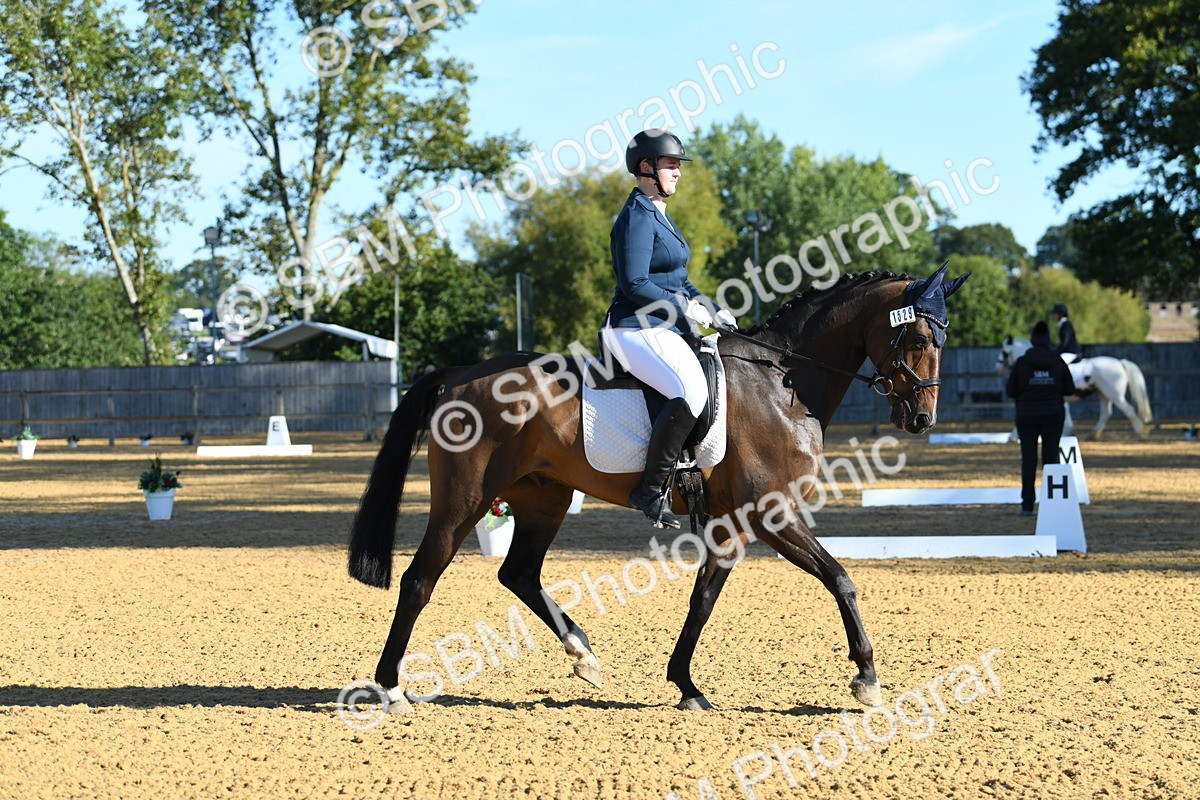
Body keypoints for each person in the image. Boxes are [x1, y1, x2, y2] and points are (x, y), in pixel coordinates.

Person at [601, 129, 737, 528]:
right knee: (690, 390)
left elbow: (680, 278)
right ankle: (650, 487)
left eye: (678, 165)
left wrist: (711, 307)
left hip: (663, 326)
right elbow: (635, 284)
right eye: (671, 164)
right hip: (633, 328)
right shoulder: (636, 216)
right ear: (647, 168)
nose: (677, 171)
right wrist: (684, 308)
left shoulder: (658, 212)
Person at [1006, 320, 1077, 516]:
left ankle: (1027, 504)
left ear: (1032, 340)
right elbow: (1069, 389)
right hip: (1053, 416)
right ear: (1048, 340)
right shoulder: (1057, 361)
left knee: (1028, 460)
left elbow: (1011, 391)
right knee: (1051, 458)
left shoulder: (1022, 363)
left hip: (1027, 416)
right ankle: (1051, 503)